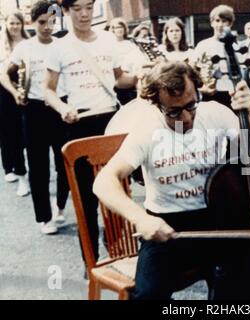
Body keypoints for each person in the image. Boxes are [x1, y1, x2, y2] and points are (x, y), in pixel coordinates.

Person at [93, 61, 250, 299]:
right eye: (173, 111)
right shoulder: (147, 129)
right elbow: (104, 181)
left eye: (191, 105)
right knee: (149, 295)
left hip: (217, 220)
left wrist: (249, 115)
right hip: (167, 225)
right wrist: (140, 219)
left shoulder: (215, 112)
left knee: (239, 286)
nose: (186, 118)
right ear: (156, 105)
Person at [44, 0, 139, 261]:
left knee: (118, 191)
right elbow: (48, 90)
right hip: (79, 125)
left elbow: (120, 79)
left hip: (110, 121)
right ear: (65, 11)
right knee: (86, 198)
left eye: (88, 7)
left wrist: (141, 75)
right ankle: (91, 260)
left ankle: (120, 252)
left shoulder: (109, 40)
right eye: (77, 9)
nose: (84, 14)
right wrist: (62, 108)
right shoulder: (59, 47)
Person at [0, 1, 69, 235]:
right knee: (38, 167)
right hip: (35, 110)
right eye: (42, 22)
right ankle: (44, 217)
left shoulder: (63, 45)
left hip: (61, 106)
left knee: (65, 163)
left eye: (51, 22)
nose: (47, 27)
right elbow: (5, 75)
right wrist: (16, 93)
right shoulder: (24, 48)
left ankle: (60, 205)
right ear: (32, 22)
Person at [0, 11, 30, 196]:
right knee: (11, 135)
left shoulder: (28, 43)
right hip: (6, 92)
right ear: (6, 24)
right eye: (11, 23)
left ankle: (29, 168)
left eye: (17, 23)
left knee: (29, 134)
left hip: (28, 91)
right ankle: (20, 175)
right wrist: (14, 91)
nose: (15, 27)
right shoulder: (2, 46)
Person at [191, 4, 236, 108]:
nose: (220, 25)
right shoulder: (203, 45)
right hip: (210, 93)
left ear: (230, 24)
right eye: (217, 21)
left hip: (232, 93)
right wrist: (201, 88)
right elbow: (192, 69)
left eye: (224, 21)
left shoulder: (235, 45)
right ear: (211, 23)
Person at [109, 17, 139, 105]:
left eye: (121, 27)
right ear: (113, 29)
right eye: (117, 27)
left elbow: (136, 60)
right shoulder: (109, 45)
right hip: (116, 80)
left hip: (130, 78)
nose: (119, 29)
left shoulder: (131, 44)